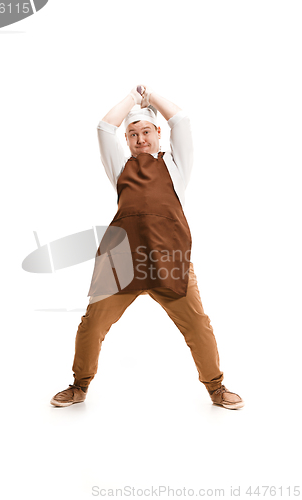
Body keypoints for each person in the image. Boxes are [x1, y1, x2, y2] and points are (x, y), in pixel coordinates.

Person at [50, 85, 244, 410]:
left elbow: (180, 120)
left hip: (170, 259)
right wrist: (130, 99)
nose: (140, 140)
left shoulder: (176, 167)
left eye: (146, 132)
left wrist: (150, 97)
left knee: (198, 324)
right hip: (121, 261)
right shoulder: (119, 168)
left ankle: (216, 388)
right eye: (133, 134)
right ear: (126, 140)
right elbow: (103, 127)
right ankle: (79, 386)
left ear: (157, 133)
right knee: (92, 324)